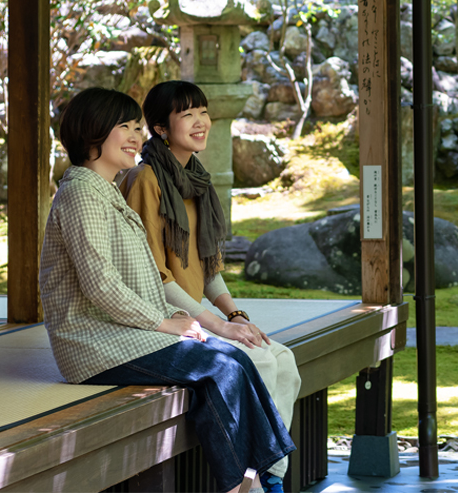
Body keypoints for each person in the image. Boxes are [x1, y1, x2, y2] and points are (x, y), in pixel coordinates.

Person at [39, 87, 294, 493]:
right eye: (124, 127)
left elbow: (139, 280)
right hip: (92, 343)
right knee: (221, 367)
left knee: (234, 359)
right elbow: (100, 285)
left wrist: (176, 319)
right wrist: (163, 323)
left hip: (125, 333)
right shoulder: (82, 194)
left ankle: (260, 479)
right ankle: (245, 484)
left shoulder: (105, 191)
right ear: (92, 134)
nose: (137, 136)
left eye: (138, 127)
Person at [120, 80, 302, 493]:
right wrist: (221, 328)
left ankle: (267, 477)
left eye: (203, 112)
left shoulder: (197, 180)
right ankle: (251, 481)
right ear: (162, 128)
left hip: (196, 313)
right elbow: (153, 274)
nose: (201, 122)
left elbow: (207, 266)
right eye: (187, 114)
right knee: (262, 361)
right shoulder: (146, 180)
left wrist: (235, 314)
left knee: (285, 362)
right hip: (164, 318)